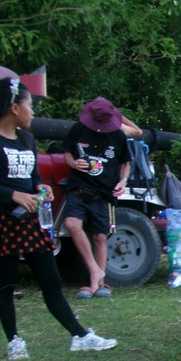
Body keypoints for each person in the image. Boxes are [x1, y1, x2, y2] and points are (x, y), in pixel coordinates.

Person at [0, 78, 117, 360]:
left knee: (51, 282)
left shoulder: (27, 139)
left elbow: (32, 177)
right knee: (5, 285)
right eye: (29, 106)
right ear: (14, 108)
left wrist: (39, 187)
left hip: (30, 220)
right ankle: (14, 341)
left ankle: (80, 336)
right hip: (1, 221)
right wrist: (12, 195)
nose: (32, 112)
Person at [62, 97, 141, 299]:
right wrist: (73, 163)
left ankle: (97, 285)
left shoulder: (118, 135)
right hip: (79, 188)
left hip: (104, 193)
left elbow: (126, 163)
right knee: (71, 224)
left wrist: (123, 181)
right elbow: (67, 154)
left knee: (100, 237)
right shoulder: (78, 129)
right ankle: (94, 270)